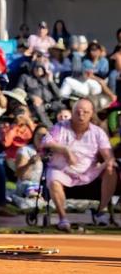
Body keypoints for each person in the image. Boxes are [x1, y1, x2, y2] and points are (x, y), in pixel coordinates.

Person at [41, 98, 117, 231]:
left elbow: (108, 155)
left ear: (91, 113)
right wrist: (65, 150)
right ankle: (63, 219)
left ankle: (101, 211)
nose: (81, 115)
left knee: (111, 168)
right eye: (78, 112)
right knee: (52, 177)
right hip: (63, 171)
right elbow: (46, 142)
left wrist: (109, 162)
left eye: (85, 112)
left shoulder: (98, 132)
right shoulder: (60, 127)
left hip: (89, 173)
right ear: (72, 112)